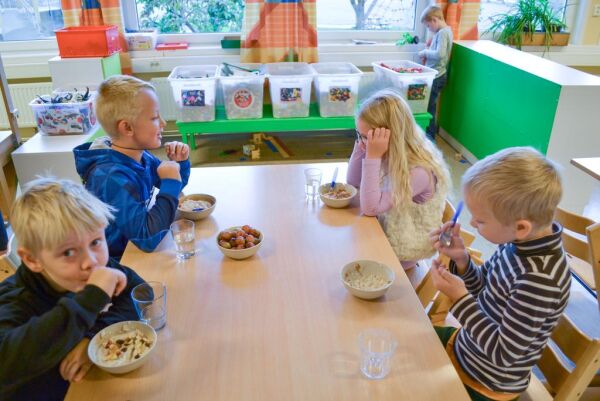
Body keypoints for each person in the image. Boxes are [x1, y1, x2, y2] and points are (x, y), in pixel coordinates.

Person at [429, 147, 570, 401]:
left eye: (480, 221)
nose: (472, 224)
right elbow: (484, 289)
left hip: (485, 382)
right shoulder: (517, 243)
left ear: (521, 227)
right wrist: (462, 261)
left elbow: (502, 353)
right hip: (466, 349)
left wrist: (459, 299)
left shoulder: (540, 281)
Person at [0, 178, 145, 400]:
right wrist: (90, 300)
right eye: (68, 252)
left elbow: (139, 292)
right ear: (31, 259)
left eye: (96, 242)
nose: (91, 262)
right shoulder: (15, 300)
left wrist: (93, 338)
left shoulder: (93, 265)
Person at [74, 75, 191, 259]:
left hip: (135, 250)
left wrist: (180, 163)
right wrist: (169, 180)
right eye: (154, 117)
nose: (163, 123)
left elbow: (175, 187)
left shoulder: (140, 155)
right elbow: (147, 238)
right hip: (118, 263)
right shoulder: (110, 177)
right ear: (127, 128)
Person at [347, 89, 450, 269]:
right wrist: (362, 145)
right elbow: (353, 182)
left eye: (366, 137)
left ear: (391, 137)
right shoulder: (390, 151)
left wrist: (372, 156)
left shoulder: (419, 171)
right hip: (379, 231)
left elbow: (370, 208)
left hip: (401, 252)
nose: (362, 142)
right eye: (359, 134)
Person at [418, 5, 453, 140]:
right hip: (436, 74)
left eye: (428, 26)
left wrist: (425, 52)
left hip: (437, 76)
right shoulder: (445, 32)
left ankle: (429, 137)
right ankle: (428, 135)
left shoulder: (443, 33)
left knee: (429, 108)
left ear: (434, 20)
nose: (429, 29)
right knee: (429, 107)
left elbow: (439, 54)